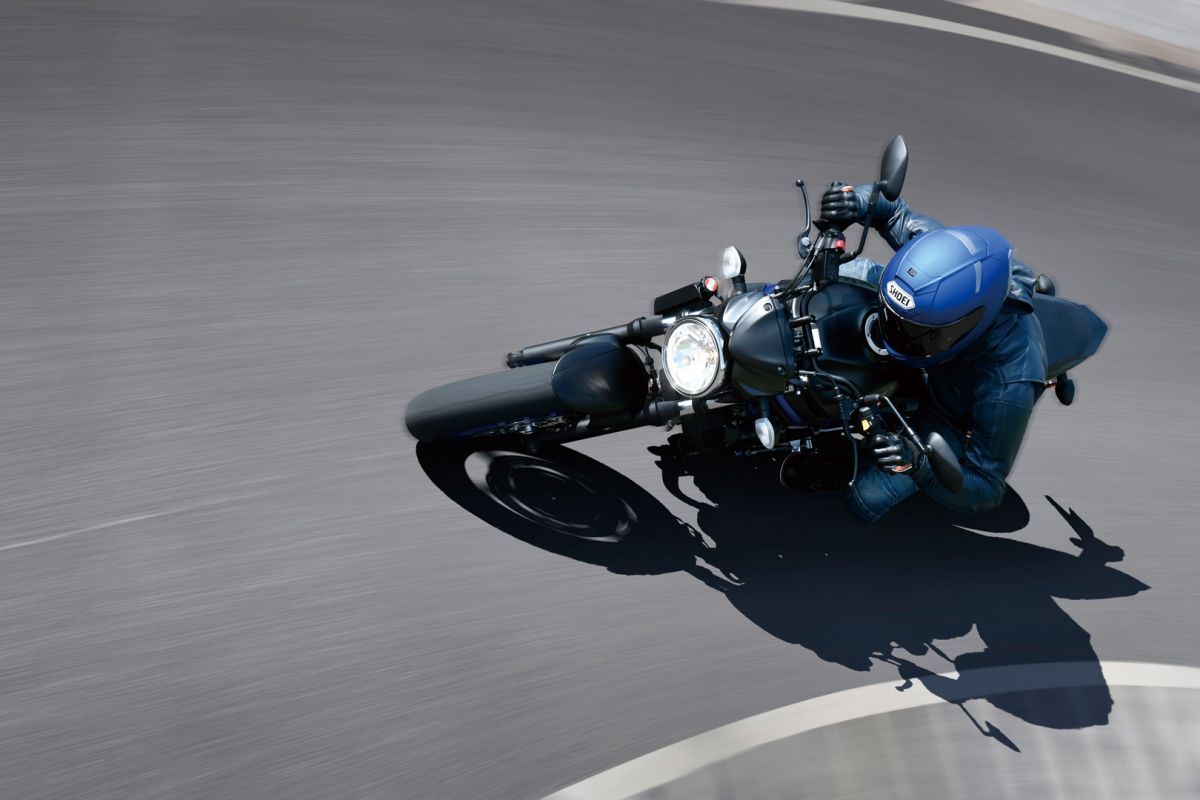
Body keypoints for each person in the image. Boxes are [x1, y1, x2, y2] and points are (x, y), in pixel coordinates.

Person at [819, 183, 1048, 521]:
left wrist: (917, 464)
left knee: (866, 498)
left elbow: (988, 489)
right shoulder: (944, 259)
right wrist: (854, 200)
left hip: (945, 411)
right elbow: (892, 211)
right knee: (837, 277)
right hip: (911, 315)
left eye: (913, 333)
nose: (889, 334)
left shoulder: (1010, 381)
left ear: (966, 325)